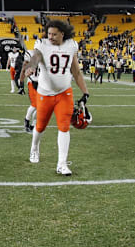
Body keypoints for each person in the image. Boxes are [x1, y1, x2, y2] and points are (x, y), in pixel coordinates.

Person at [22, 20, 89, 176]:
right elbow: (36, 56)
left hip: (64, 92)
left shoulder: (71, 45)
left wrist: (85, 92)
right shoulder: (42, 44)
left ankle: (62, 163)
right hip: (45, 93)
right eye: (49, 33)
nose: (50, 37)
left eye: (54, 34)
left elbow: (76, 71)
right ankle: (34, 148)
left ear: (62, 34)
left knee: (64, 126)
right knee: (40, 126)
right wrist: (31, 66)